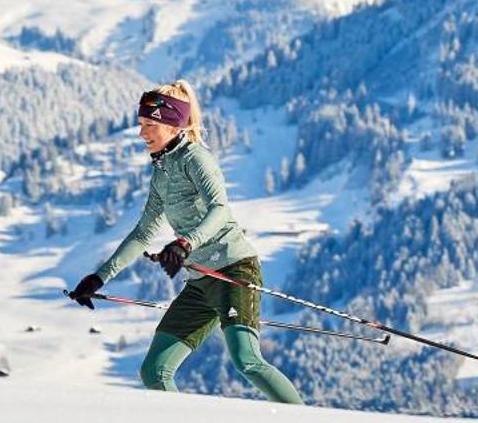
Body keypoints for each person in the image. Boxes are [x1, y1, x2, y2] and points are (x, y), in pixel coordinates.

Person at [69, 82, 304, 405]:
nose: (142, 134)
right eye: (141, 125)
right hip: (200, 282)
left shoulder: (196, 159)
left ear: (172, 123)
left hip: (234, 271)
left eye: (149, 125)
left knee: (246, 361)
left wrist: (184, 243)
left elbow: (220, 209)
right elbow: (142, 234)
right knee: (154, 371)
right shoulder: (162, 171)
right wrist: (99, 277)